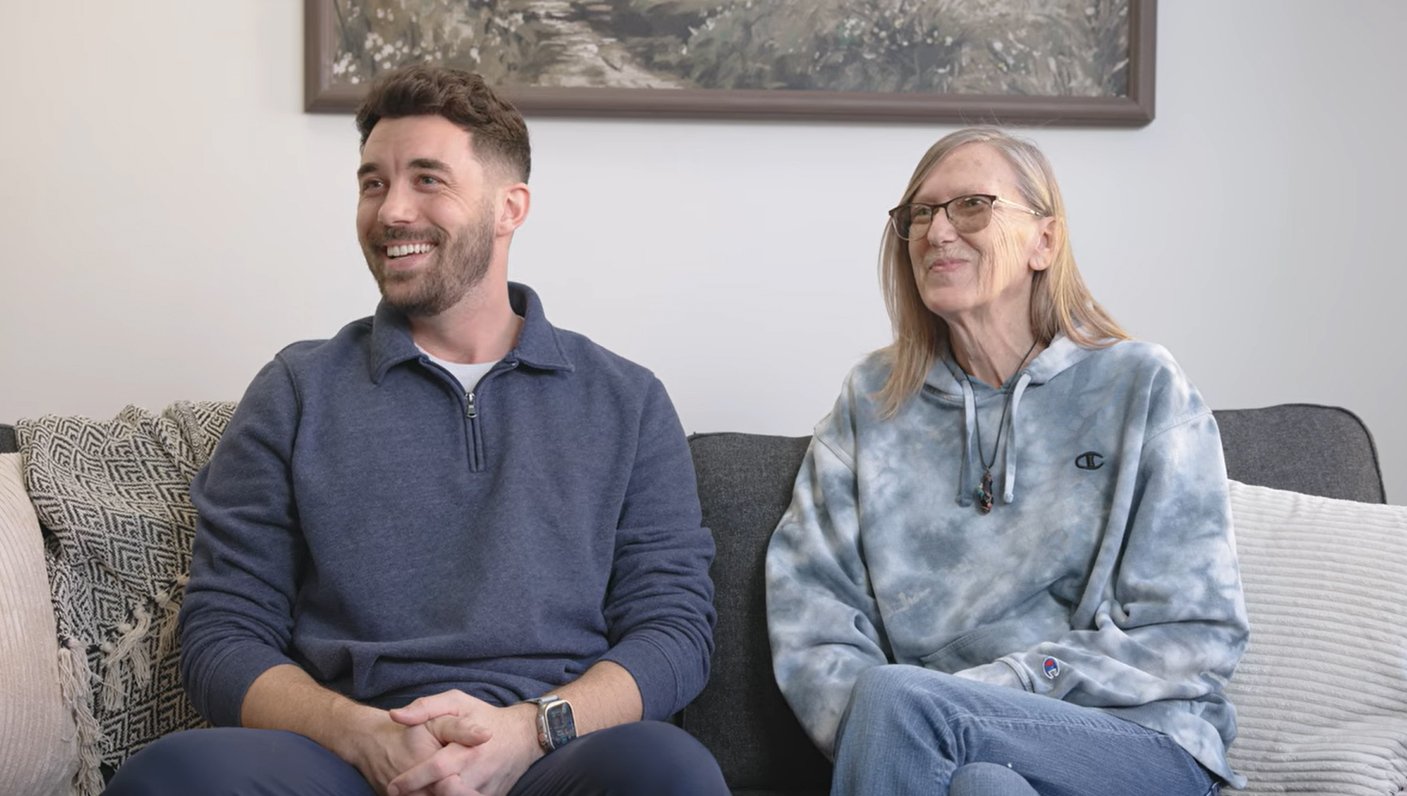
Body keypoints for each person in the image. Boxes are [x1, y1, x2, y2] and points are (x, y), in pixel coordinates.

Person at [106, 66, 726, 796]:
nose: (391, 210)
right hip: (345, 756)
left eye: (427, 179)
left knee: (669, 768)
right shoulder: (297, 390)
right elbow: (222, 633)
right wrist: (362, 735)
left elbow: (673, 631)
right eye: (373, 183)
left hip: (551, 755)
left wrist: (528, 731)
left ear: (509, 208)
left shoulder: (627, 400)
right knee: (171, 776)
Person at [765, 127, 1249, 796]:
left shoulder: (1140, 385)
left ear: (1043, 241)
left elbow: (1192, 631)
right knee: (984, 786)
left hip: (1136, 737)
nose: (936, 232)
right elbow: (813, 620)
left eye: (971, 205)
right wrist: (907, 726)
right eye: (920, 214)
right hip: (937, 745)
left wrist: (989, 690)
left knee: (903, 703)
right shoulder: (872, 402)